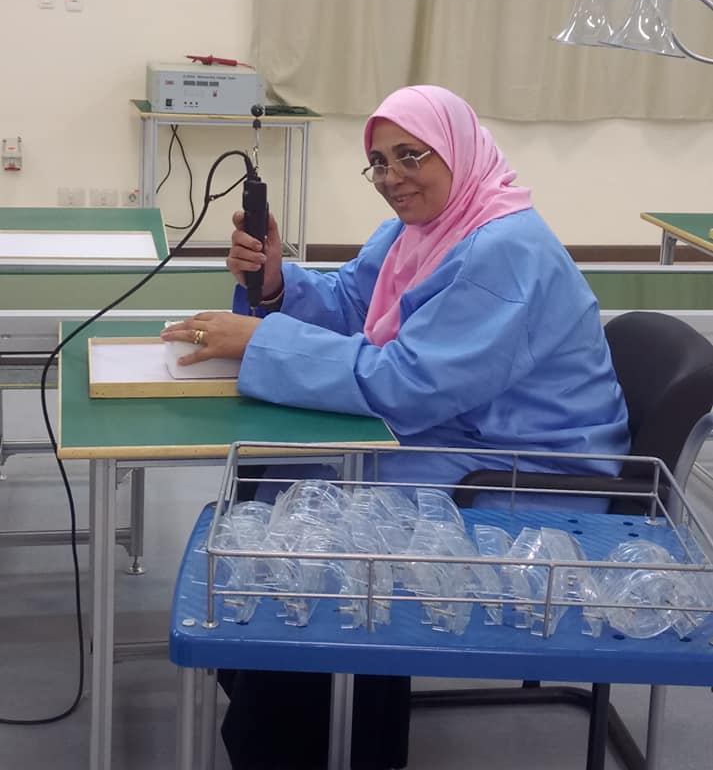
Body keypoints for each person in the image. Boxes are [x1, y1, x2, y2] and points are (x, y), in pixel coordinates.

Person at [161, 84, 630, 769]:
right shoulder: (425, 230)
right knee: (276, 480)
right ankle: (302, 708)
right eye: (378, 162)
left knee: (317, 540)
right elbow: (356, 303)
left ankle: (315, 731)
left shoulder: (504, 250)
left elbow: (407, 384)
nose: (392, 177)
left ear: (459, 150)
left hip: (523, 475)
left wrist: (260, 341)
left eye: (412, 155)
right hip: (459, 438)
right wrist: (277, 285)